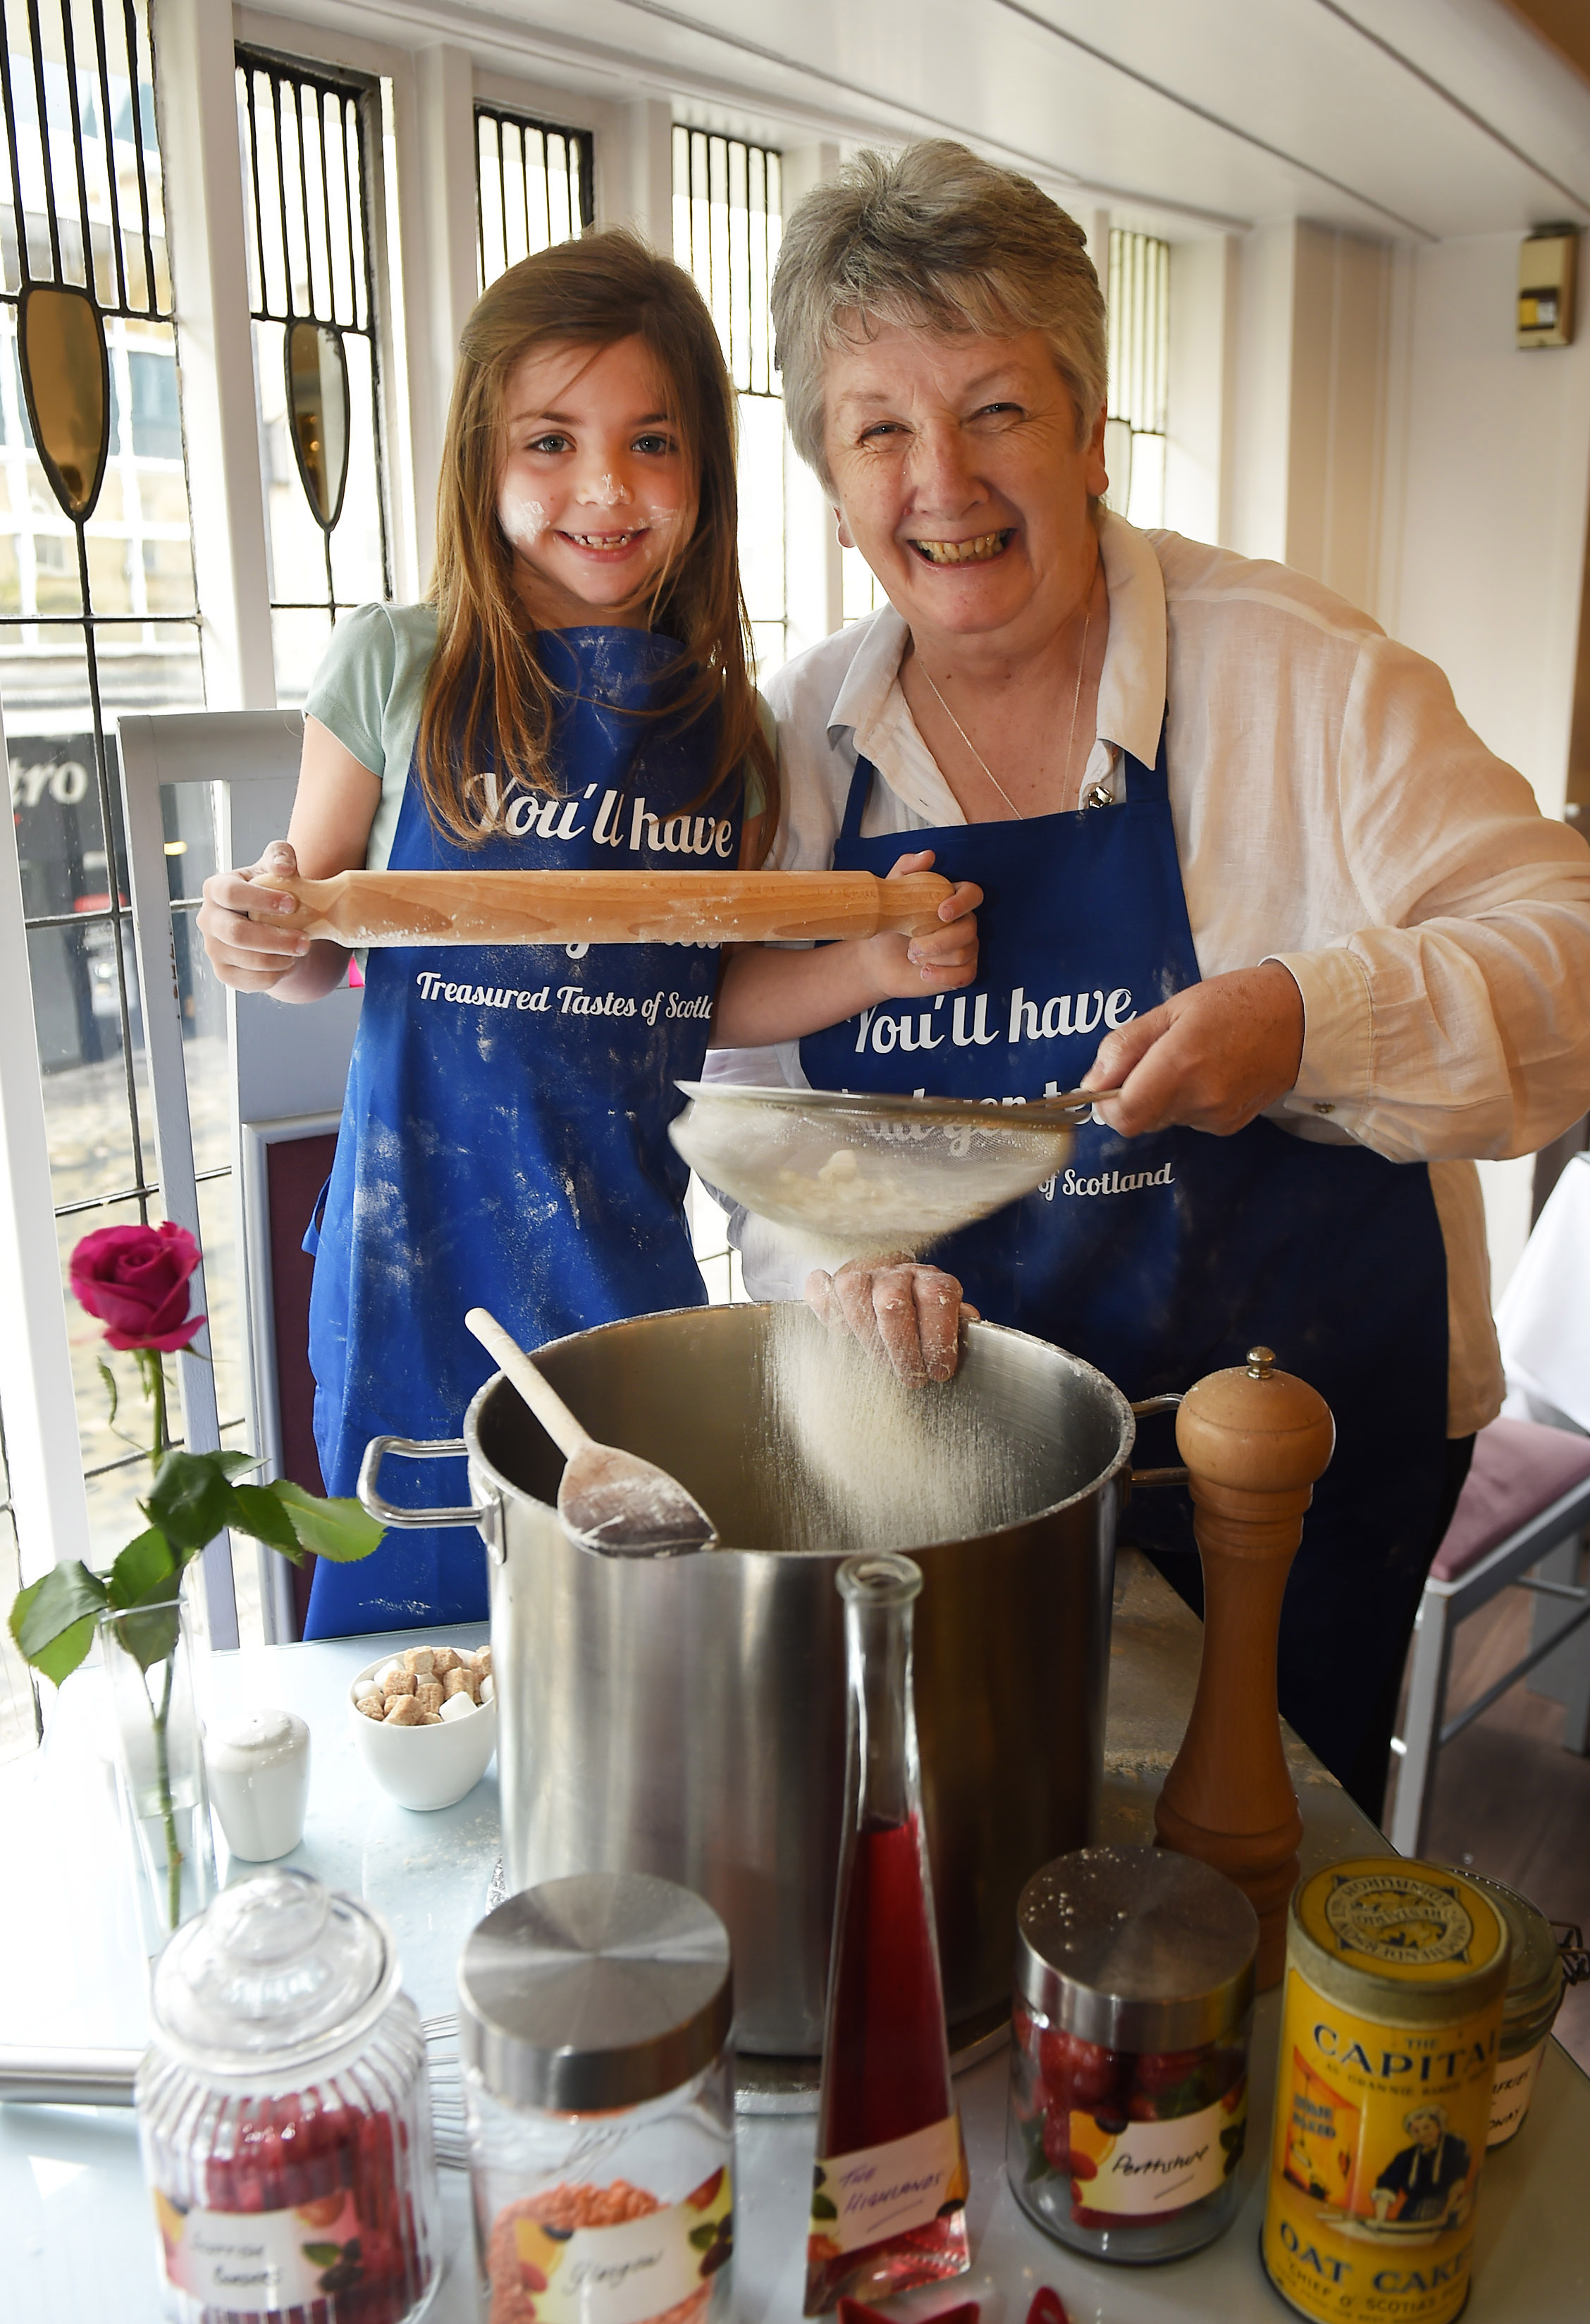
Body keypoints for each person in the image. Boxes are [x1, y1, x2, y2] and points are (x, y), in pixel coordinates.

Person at [705, 141, 1590, 1818]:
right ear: (831, 477)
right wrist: (839, 1274)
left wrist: (1306, 1019)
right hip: (971, 1468)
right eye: (879, 426)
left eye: (995, 410)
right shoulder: (799, 747)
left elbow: (1570, 964)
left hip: (1315, 1452)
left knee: (1273, 1865)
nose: (940, 479)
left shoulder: (1307, 680)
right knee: (989, 1847)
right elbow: (760, 1126)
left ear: (1092, 426)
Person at [199, 231, 978, 1637]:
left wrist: (872, 961)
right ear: (482, 460)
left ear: (704, 476)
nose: (604, 489)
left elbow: (700, 992)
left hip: (620, 1243)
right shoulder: (397, 665)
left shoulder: (722, 735)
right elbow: (320, 935)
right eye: (550, 442)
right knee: (418, 1599)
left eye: (652, 443)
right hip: (408, 1250)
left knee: (629, 1608)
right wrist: (265, 931)